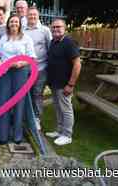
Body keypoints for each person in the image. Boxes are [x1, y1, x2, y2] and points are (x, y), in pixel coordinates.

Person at [0, 15, 36, 144]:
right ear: (8, 24)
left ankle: (17, 136)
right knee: (3, 102)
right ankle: (2, 136)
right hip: (5, 73)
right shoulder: (3, 38)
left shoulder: (26, 39)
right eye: (11, 21)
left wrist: (21, 63)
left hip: (20, 72)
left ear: (20, 24)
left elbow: (31, 57)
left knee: (19, 103)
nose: (14, 24)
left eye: (16, 21)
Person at [46, 18, 81, 146]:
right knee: (58, 108)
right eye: (54, 27)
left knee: (66, 109)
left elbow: (77, 65)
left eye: (58, 27)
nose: (55, 29)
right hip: (54, 83)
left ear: (64, 28)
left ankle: (67, 135)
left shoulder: (69, 43)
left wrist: (71, 84)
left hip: (64, 84)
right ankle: (59, 130)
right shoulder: (53, 42)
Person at [23, 7, 52, 130]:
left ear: (38, 16)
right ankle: (26, 117)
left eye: (34, 15)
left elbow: (50, 48)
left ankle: (36, 118)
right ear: (26, 16)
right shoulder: (22, 30)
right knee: (26, 94)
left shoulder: (44, 30)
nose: (32, 17)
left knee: (37, 94)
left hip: (40, 68)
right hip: (25, 68)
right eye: (30, 15)